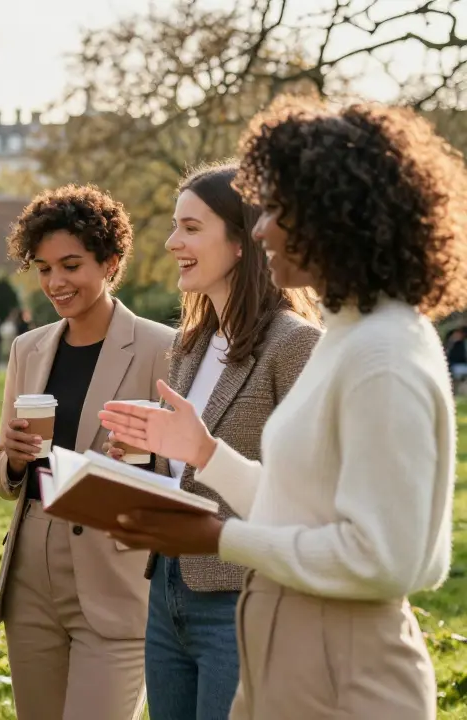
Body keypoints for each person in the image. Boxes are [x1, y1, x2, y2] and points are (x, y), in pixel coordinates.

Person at [100, 96, 467, 720]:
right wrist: (206, 455)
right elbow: (303, 503)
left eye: (273, 208)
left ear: (332, 214)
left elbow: (390, 560)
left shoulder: (383, 354)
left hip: (345, 676)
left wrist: (218, 535)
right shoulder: (350, 333)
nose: (261, 226)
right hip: (283, 650)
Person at [121, 163, 320, 720]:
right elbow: (182, 465)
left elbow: (304, 491)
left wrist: (200, 451)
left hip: (242, 596)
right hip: (167, 589)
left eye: (190, 227)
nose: (171, 242)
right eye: (173, 227)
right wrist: (138, 461)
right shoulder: (189, 344)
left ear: (240, 241)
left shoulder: (295, 344)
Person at [0, 184, 175, 719]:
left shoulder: (163, 349)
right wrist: (17, 459)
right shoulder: (29, 349)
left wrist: (142, 455)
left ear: (110, 262)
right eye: (44, 269)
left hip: (115, 576)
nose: (55, 282)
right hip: (32, 573)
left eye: (70, 265)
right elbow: (3, 474)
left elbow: (183, 470)